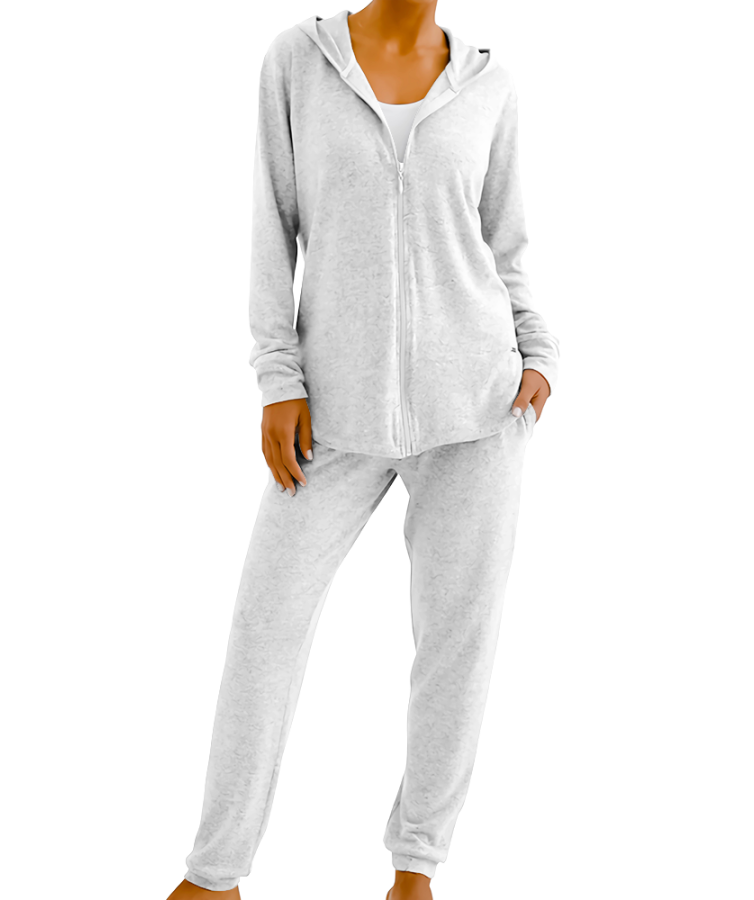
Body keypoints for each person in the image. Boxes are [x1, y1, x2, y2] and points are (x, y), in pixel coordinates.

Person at [167, 3, 560, 898]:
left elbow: (506, 244)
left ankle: (415, 869)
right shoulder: (298, 62)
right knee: (264, 630)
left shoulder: (490, 85)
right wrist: (278, 377)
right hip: (331, 415)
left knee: (456, 647)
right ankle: (215, 876)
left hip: (477, 409)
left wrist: (538, 352)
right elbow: (271, 226)